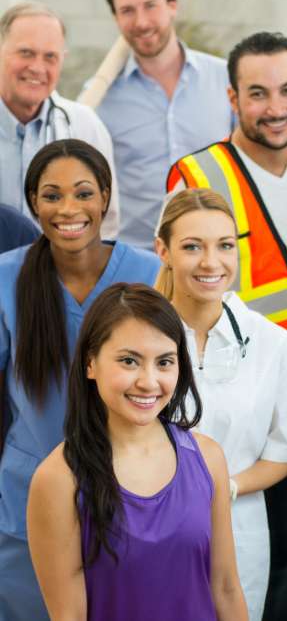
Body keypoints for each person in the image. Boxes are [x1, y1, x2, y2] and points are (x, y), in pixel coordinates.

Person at [166, 31, 287, 621]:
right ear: (232, 97)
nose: (275, 107)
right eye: (257, 93)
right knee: (217, 556)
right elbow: (171, 281)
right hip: (231, 401)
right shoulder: (198, 174)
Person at [0, 139, 159, 621]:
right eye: (51, 196)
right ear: (33, 204)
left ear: (106, 198)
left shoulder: (150, 273)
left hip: (131, 492)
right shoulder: (7, 278)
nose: (68, 209)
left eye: (84, 193)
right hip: (26, 498)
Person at [26, 283, 248, 620]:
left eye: (164, 362)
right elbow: (68, 615)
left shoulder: (208, 458)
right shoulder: (58, 479)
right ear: (90, 363)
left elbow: (226, 587)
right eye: (129, 361)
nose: (148, 381)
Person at [155, 188, 287, 621]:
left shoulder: (280, 348)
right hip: (147, 528)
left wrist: (223, 490)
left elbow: (283, 455)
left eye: (224, 245)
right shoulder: (137, 339)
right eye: (192, 247)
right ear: (162, 251)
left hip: (238, 532)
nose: (211, 262)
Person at [94, 0, 235, 250]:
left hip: (214, 259)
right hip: (137, 263)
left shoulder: (226, 79)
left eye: (150, 5)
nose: (141, 22)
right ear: (116, 18)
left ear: (173, 6)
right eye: (127, 11)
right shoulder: (99, 99)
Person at [0, 2, 119, 238]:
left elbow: (105, 223)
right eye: (26, 53)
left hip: (63, 274)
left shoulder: (84, 125)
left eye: (50, 57)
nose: (37, 67)